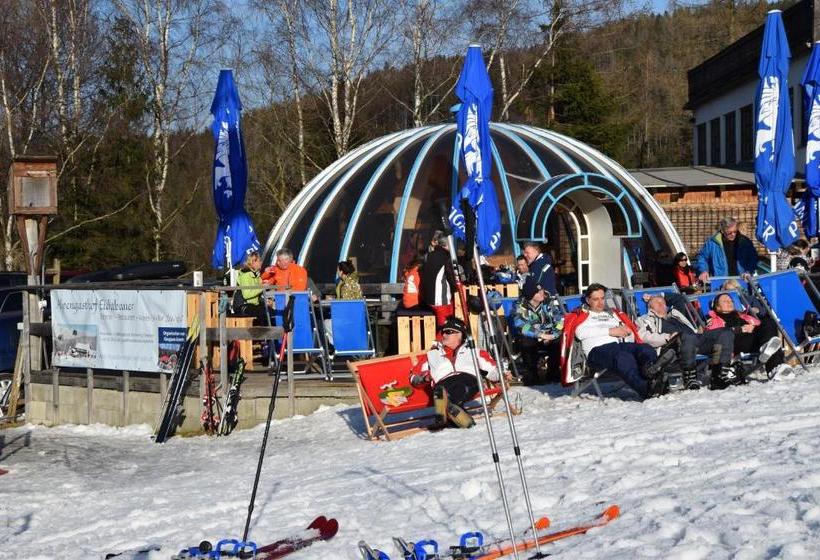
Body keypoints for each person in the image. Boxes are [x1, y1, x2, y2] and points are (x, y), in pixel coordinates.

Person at [560, 283, 671, 399]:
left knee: (645, 348)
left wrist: (628, 331)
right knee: (623, 357)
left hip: (619, 345)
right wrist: (610, 331)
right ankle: (647, 388)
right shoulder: (581, 314)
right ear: (588, 300)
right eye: (596, 299)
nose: (600, 302)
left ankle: (651, 372)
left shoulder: (613, 314)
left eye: (602, 298)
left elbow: (629, 332)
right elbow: (580, 332)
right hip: (597, 351)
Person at [409, 316, 511, 429]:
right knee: (442, 388)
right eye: (443, 332)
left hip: (469, 380)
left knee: (458, 385)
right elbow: (414, 377)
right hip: (443, 383)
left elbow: (492, 370)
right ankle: (459, 417)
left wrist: (502, 374)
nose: (444, 335)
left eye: (448, 332)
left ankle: (443, 412)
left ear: (460, 334)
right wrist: (424, 378)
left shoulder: (474, 351)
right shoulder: (432, 355)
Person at [636, 293, 735, 390]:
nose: (662, 304)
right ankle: (690, 378)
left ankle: (719, 376)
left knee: (726, 332)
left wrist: (660, 295)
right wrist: (667, 337)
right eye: (657, 302)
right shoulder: (644, 319)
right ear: (650, 307)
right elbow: (643, 336)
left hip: (695, 339)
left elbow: (679, 298)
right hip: (673, 346)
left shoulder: (675, 314)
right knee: (687, 336)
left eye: (663, 302)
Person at [706, 293, 792, 378]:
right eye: (725, 301)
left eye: (731, 301)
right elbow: (716, 336)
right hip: (735, 343)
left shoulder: (742, 315)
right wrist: (740, 329)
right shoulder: (714, 321)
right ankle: (774, 366)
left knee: (769, 322)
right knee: (769, 341)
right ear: (717, 307)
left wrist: (753, 327)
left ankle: (773, 365)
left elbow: (762, 328)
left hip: (751, 340)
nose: (730, 303)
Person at [511, 282, 563, 385]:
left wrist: (553, 335)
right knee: (526, 341)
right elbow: (520, 325)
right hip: (532, 337)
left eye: (542, 290)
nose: (542, 293)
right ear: (531, 295)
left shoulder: (548, 303)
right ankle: (532, 375)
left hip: (549, 335)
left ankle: (553, 373)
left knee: (558, 341)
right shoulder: (520, 306)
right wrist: (540, 335)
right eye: (538, 292)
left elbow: (559, 321)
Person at [694, 217, 758, 282]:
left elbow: (753, 258)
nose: (733, 234)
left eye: (735, 231)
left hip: (742, 280)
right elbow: (702, 257)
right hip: (720, 283)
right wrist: (704, 270)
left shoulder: (745, 242)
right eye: (730, 233)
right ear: (722, 231)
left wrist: (749, 271)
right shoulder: (712, 243)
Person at [420, 231, 457, 327]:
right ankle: (439, 341)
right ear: (447, 245)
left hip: (427, 298)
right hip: (440, 300)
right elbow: (453, 280)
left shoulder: (429, 256)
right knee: (446, 328)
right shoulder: (446, 258)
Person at [234, 251, 272, 326]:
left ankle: (269, 336)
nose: (261, 263)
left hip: (254, 304)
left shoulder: (256, 274)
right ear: (253, 262)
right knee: (263, 313)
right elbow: (247, 295)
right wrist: (262, 287)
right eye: (259, 261)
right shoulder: (245, 275)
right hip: (243, 305)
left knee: (271, 312)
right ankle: (262, 335)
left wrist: (267, 300)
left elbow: (259, 292)